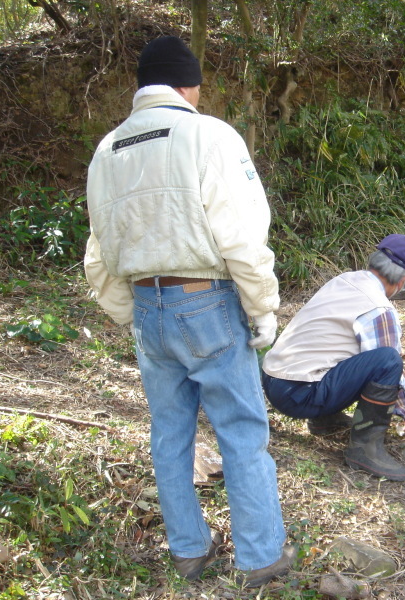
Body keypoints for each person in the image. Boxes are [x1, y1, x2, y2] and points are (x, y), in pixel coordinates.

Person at [84, 35, 293, 587]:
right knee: (242, 430)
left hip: (148, 306)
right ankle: (260, 556)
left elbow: (98, 253)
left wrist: (130, 311)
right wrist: (263, 307)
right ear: (189, 84)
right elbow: (242, 234)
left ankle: (188, 552)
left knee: (169, 432)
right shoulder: (207, 134)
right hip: (207, 299)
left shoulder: (108, 150)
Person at [261, 234, 405, 481]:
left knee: (345, 350)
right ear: (403, 281)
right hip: (298, 394)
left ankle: (324, 419)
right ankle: (365, 450)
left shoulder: (345, 280)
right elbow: (389, 371)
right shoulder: (378, 308)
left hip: (273, 380)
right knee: (387, 361)